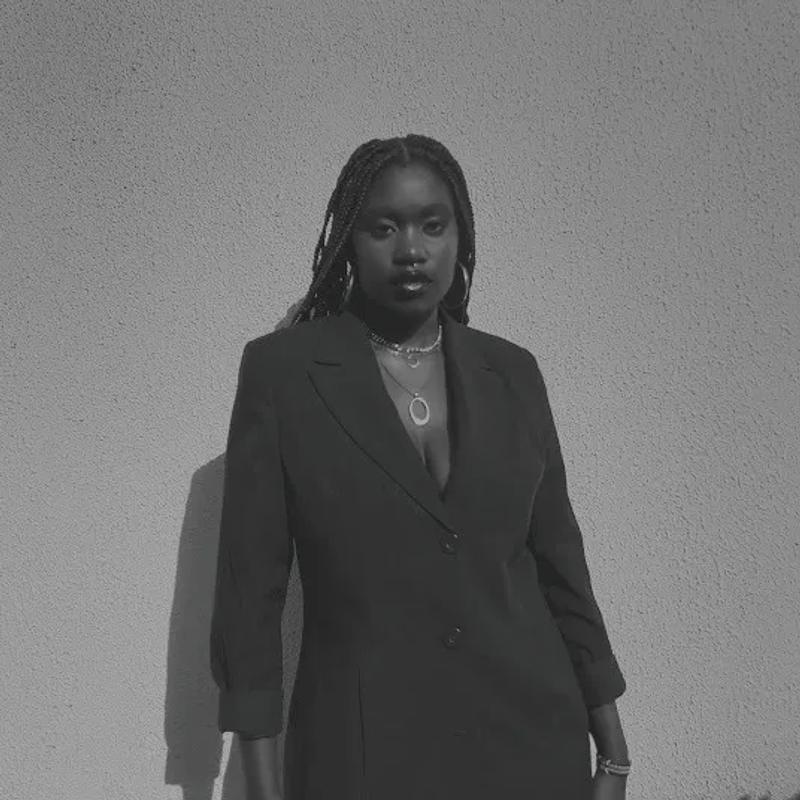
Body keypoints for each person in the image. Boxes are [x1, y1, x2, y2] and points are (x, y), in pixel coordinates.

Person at [209, 134, 631, 800]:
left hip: (529, 745)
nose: (411, 249)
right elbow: (249, 599)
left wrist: (614, 752)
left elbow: (561, 566)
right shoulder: (285, 374)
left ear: (461, 237)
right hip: (366, 755)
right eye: (384, 227)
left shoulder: (512, 373)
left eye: (433, 225)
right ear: (349, 241)